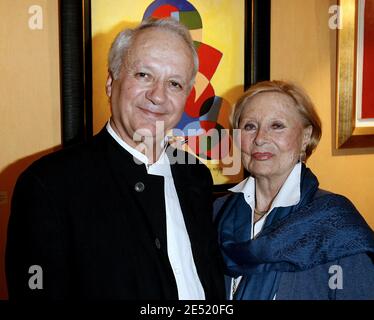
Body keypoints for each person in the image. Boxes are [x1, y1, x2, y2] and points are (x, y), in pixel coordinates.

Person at [6, 18, 225, 300]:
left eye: (174, 83)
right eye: (144, 75)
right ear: (111, 82)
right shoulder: (49, 185)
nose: (158, 96)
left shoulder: (196, 176)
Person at [214, 80, 374, 300]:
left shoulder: (335, 223)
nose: (260, 138)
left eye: (277, 126)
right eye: (250, 126)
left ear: (305, 137)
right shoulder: (215, 214)